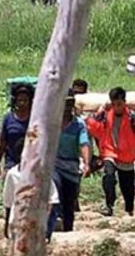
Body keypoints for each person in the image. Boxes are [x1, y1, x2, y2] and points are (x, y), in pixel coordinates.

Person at [85, 87, 135, 216]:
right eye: (114, 104)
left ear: (124, 102)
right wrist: (98, 113)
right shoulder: (106, 115)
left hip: (127, 155)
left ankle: (129, 209)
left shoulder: (132, 116)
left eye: (120, 104)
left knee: (127, 186)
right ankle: (109, 206)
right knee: (108, 177)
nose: (117, 107)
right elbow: (93, 128)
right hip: (110, 151)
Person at [50, 94, 91, 232]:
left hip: (71, 167)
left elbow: (84, 143)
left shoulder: (78, 124)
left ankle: (68, 228)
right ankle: (55, 221)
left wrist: (86, 163)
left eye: (69, 104)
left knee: (70, 200)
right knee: (56, 188)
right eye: (64, 104)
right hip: (54, 164)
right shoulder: (52, 122)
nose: (67, 108)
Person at [3, 163, 59, 241]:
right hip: (17, 223)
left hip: (36, 224)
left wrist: (44, 224)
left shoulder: (43, 175)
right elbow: (8, 202)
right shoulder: (13, 174)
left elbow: (52, 200)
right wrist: (6, 225)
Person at [0, 84, 34, 180]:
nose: (22, 103)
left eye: (25, 101)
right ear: (15, 101)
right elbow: (3, 143)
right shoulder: (8, 119)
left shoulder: (34, 119)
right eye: (20, 100)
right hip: (11, 162)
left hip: (31, 163)